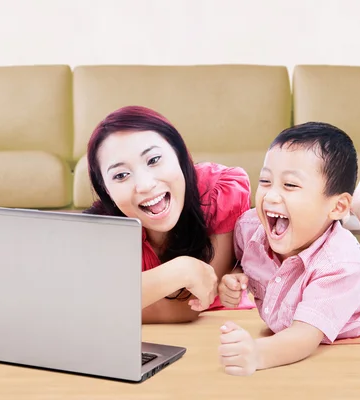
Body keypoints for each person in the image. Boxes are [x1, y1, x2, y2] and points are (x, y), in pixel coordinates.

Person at [216, 122, 360, 376]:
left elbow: (304, 336)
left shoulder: (341, 265)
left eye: (290, 185)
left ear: (336, 207)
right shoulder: (249, 227)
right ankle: (358, 209)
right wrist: (234, 276)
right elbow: (239, 260)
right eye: (265, 181)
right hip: (322, 266)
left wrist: (258, 353)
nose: (271, 196)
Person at [83, 105, 253, 324]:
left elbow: (196, 301)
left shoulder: (218, 192)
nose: (144, 185)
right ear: (106, 189)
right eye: (121, 175)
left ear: (178, 154)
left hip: (223, 329)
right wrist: (180, 271)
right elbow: (78, 305)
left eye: (154, 160)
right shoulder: (103, 229)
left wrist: (117, 299)